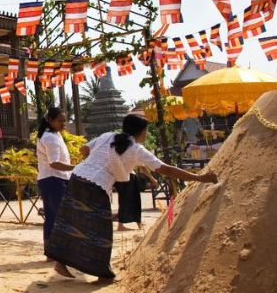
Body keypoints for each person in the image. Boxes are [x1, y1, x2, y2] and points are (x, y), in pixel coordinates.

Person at [46, 114, 217, 283]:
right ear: (141, 132)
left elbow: (83, 149)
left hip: (77, 177)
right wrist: (199, 178)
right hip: (96, 185)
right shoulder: (136, 150)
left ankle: (61, 263)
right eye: (145, 131)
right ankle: (102, 274)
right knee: (99, 230)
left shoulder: (108, 136)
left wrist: (93, 162)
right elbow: (166, 169)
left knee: (71, 221)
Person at [35, 107, 73, 254]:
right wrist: (76, 167)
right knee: (57, 216)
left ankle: (51, 250)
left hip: (56, 179)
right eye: (60, 121)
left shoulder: (54, 135)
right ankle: (55, 251)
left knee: (53, 216)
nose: (63, 124)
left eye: (65, 121)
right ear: (50, 121)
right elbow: (54, 163)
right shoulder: (50, 138)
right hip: (53, 179)